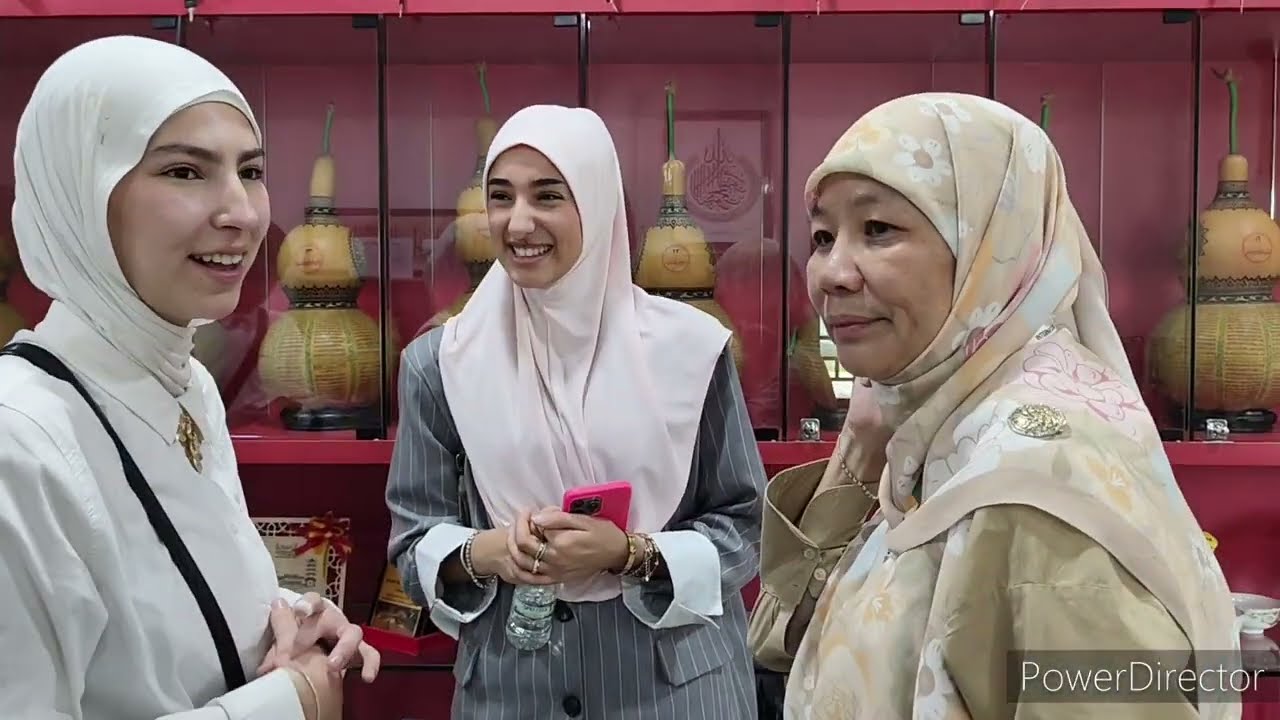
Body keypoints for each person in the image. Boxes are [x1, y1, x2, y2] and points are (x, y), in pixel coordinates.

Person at [748, 92, 1240, 718]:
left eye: (878, 229)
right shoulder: (940, 431)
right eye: (822, 236)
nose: (830, 273)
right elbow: (779, 641)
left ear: (991, 246)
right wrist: (860, 457)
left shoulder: (1037, 488)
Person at [0, 35, 378, 720]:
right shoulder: (16, 443)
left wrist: (286, 620)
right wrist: (286, 704)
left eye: (252, 170)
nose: (243, 211)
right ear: (79, 193)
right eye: (184, 172)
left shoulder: (189, 386)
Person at [386, 104, 766, 719]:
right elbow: (413, 540)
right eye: (501, 197)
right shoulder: (441, 362)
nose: (518, 222)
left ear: (597, 202)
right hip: (513, 690)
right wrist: (491, 552)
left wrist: (627, 554)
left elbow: (745, 525)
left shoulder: (690, 350)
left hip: (677, 690)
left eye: (548, 196)